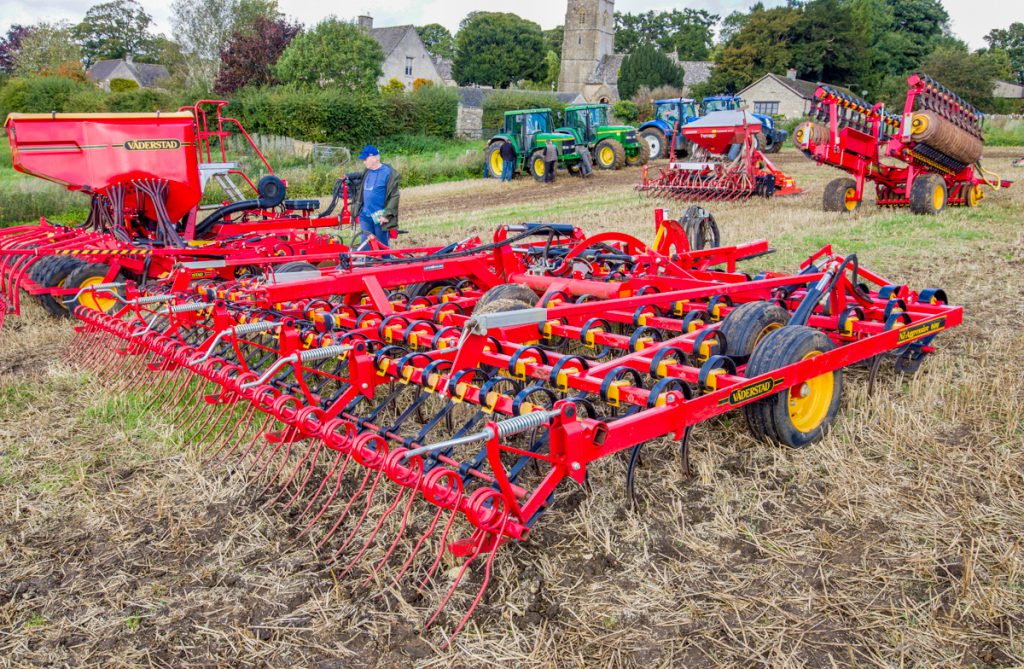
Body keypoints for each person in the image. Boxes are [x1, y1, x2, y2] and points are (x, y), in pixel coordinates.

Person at [349, 145, 400, 248]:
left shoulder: (388, 173)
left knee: (382, 247)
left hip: (379, 217)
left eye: (365, 159)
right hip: (365, 216)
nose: (364, 162)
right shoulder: (367, 171)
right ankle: (368, 258)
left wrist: (386, 215)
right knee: (366, 247)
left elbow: (394, 196)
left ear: (374, 158)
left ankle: (385, 258)